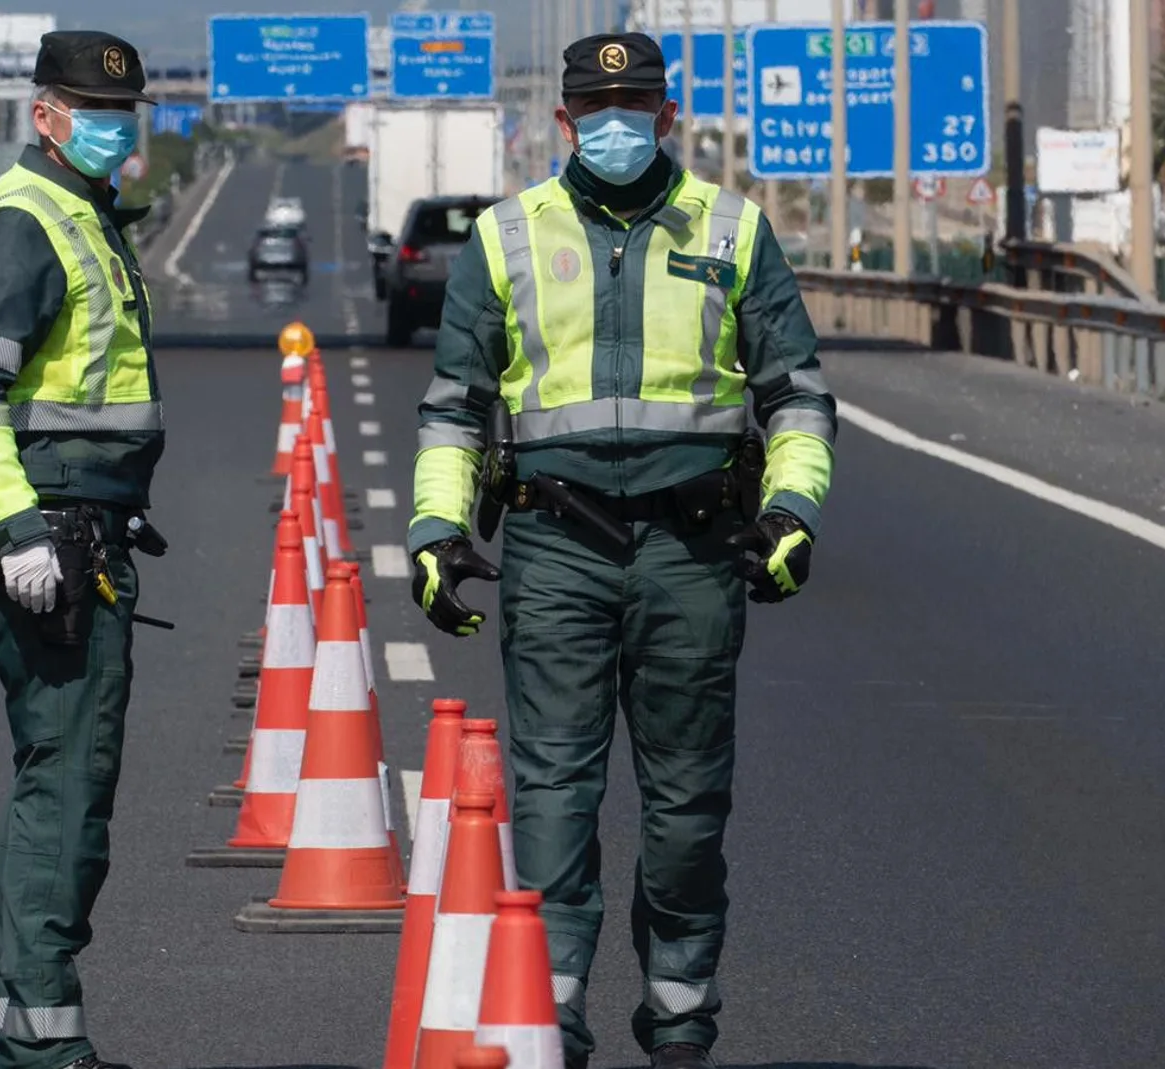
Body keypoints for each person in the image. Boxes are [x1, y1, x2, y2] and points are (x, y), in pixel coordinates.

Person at [404, 31, 837, 1069]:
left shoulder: (732, 230)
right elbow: (455, 409)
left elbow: (796, 396)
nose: (615, 124)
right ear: (561, 123)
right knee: (553, 791)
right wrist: (434, 529)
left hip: (693, 552)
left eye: (636, 104)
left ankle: (681, 1014)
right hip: (557, 548)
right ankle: (545, 1016)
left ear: (667, 116)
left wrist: (793, 512)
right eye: (597, 110)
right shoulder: (507, 237)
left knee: (687, 800)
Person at [0, 29, 163, 1069]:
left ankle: (37, 1040)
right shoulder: (27, 222)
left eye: (122, 114)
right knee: (62, 786)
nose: (112, 129)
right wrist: (19, 531)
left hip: (87, 536)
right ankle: (33, 1052)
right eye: (91, 112)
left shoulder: (85, 215)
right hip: (50, 547)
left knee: (73, 785)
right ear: (45, 114)